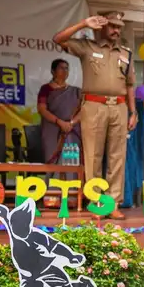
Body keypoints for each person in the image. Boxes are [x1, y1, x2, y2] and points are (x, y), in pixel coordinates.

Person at [53, 11, 136, 220]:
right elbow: (58, 39)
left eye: (119, 27)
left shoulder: (126, 53)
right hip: (93, 105)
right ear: (102, 27)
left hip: (119, 106)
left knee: (118, 157)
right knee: (93, 156)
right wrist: (83, 24)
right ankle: (97, 202)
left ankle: (113, 203)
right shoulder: (87, 47)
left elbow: (130, 84)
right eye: (112, 26)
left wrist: (133, 111)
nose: (116, 30)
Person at [37, 58, 82, 181]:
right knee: (54, 161)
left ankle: (72, 194)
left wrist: (71, 123)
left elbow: (83, 111)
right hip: (52, 130)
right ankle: (53, 195)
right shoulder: (46, 89)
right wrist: (59, 122)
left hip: (72, 132)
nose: (65, 71)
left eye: (67, 68)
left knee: (71, 160)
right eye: (61, 68)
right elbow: (42, 109)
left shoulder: (76, 91)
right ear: (53, 71)